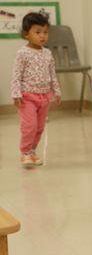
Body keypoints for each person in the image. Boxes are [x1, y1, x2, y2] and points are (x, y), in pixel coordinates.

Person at [11, 12, 61, 167]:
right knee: (29, 126)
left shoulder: (47, 53)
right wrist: (16, 93)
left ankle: (32, 151)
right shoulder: (22, 53)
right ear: (27, 34)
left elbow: (52, 73)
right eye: (38, 32)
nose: (42, 36)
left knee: (39, 127)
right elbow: (16, 74)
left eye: (45, 32)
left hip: (45, 96)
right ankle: (25, 152)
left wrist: (56, 91)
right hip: (27, 96)